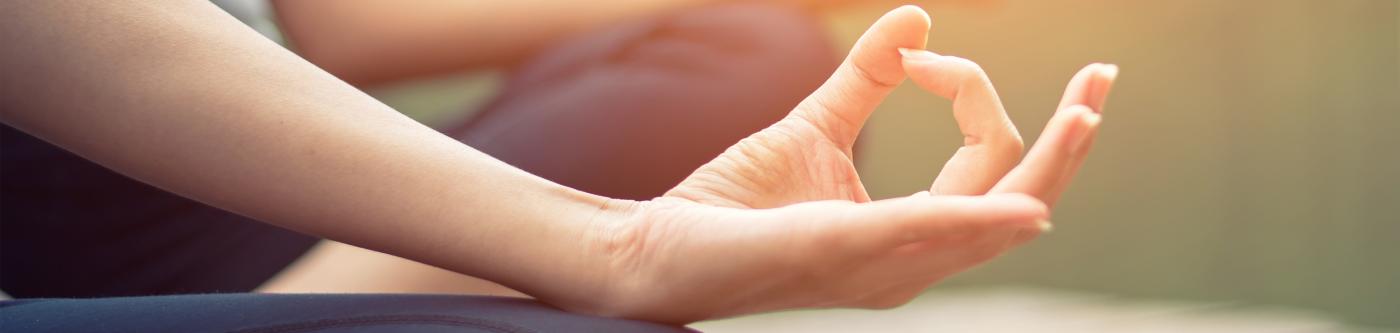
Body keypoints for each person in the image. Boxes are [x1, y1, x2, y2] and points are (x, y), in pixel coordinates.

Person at [0, 1, 1117, 332]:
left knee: (748, 46)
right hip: (62, 207)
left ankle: (322, 302)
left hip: (296, 179)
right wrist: (610, 244)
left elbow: (335, 29)